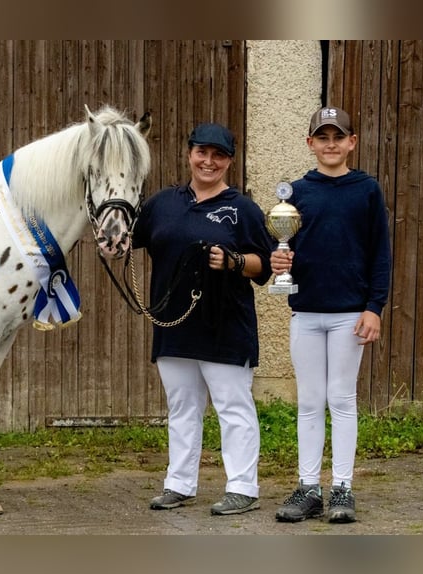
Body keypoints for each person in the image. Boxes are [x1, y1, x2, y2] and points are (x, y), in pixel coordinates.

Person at [132, 123, 274, 516]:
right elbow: (127, 238)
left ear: (229, 161)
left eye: (219, 155)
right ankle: (179, 484)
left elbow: (264, 268)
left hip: (225, 325)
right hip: (173, 324)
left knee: (233, 407)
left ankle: (243, 487)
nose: (208, 161)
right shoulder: (162, 203)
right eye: (202, 152)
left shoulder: (241, 209)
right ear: (189, 153)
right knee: (181, 407)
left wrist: (234, 261)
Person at [272, 106, 391, 524]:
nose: (330, 144)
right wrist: (281, 263)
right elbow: (288, 249)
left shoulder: (367, 190)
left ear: (352, 142)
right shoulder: (297, 194)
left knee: (341, 399)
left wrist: (374, 307)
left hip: (349, 315)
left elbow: (381, 253)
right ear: (310, 144)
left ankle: (342, 488)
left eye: (338, 136)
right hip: (305, 312)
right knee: (308, 402)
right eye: (322, 137)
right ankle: (309, 488)